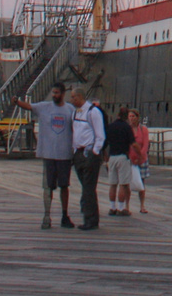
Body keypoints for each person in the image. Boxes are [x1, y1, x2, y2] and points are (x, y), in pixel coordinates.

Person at [15, 83, 76, 229]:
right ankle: (46, 215)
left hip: (64, 154)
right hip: (49, 154)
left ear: (62, 94)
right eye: (53, 92)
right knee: (48, 186)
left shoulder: (70, 110)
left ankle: (64, 215)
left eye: (56, 93)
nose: (54, 95)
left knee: (64, 186)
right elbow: (29, 107)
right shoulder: (44, 107)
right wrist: (16, 102)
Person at [68, 88, 106, 230]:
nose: (71, 100)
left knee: (88, 188)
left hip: (89, 153)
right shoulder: (76, 113)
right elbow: (75, 132)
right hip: (78, 153)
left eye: (73, 97)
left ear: (79, 97)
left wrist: (95, 152)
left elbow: (100, 134)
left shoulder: (93, 112)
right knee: (86, 187)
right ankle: (91, 217)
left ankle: (90, 219)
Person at [104, 106, 137, 217]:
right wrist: (140, 154)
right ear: (126, 116)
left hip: (112, 157)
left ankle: (112, 208)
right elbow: (133, 143)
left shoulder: (110, 126)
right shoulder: (127, 127)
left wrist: (105, 159)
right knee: (123, 184)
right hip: (123, 157)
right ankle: (121, 208)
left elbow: (105, 143)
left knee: (112, 185)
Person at [127, 109, 150, 214]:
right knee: (127, 183)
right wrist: (131, 157)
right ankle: (127, 206)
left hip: (141, 159)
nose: (131, 118)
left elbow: (145, 144)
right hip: (130, 160)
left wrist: (140, 157)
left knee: (141, 183)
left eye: (133, 116)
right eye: (130, 116)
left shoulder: (143, 129)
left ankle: (142, 206)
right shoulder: (127, 129)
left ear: (137, 117)